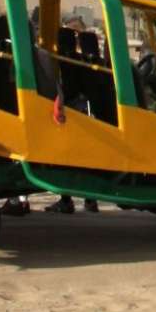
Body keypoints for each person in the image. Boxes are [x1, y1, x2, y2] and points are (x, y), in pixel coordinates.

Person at [45, 14, 100, 214]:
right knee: (85, 159)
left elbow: (66, 90)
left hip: (74, 112)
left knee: (67, 159)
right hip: (87, 113)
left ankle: (68, 200)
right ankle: (88, 200)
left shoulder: (68, 62)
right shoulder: (92, 63)